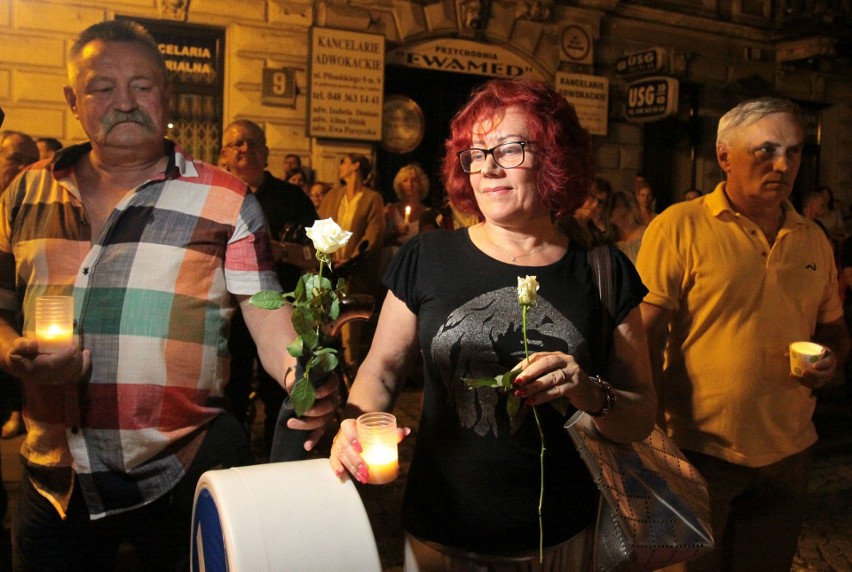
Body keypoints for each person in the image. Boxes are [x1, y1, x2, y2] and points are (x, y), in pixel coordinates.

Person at [0, 20, 337, 569]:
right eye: (102, 87)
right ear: (73, 99)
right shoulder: (25, 191)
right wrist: (10, 351)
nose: (124, 102)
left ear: (167, 94)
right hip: (55, 478)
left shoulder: (227, 201)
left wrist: (308, 378)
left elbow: (269, 321)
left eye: (142, 85)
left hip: (183, 468)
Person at [329, 78, 656, 568]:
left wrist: (587, 391)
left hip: (561, 537)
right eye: (475, 154)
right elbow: (381, 371)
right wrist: (353, 425)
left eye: (509, 150)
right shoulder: (429, 256)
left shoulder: (603, 271)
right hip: (441, 534)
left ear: (553, 160)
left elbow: (642, 413)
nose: (488, 168)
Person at [636, 97, 850, 572]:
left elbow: (833, 327)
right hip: (699, 451)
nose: (783, 164)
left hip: (789, 453)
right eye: (766, 149)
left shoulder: (812, 237)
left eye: (794, 152)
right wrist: (649, 433)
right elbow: (644, 335)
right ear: (725, 156)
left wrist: (831, 357)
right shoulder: (680, 226)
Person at [218, 119, 319, 456]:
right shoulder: (217, 196)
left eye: (252, 143)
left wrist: (279, 250)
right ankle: (233, 458)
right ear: (223, 155)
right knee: (229, 390)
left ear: (266, 153)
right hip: (228, 317)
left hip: (280, 314)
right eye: (236, 144)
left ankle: (280, 458)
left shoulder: (292, 199)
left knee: (282, 390)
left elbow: (321, 255)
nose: (244, 149)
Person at [317, 153, 386, 369]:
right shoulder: (333, 196)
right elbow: (321, 225)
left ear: (356, 165)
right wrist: (328, 255)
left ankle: (351, 370)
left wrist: (354, 256)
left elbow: (373, 233)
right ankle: (325, 370)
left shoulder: (372, 198)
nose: (340, 167)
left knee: (349, 328)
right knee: (325, 321)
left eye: (344, 162)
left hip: (354, 272)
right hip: (331, 269)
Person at [384, 163, 429, 248]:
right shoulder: (390, 210)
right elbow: (381, 240)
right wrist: (396, 233)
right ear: (399, 185)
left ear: (421, 185)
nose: (410, 184)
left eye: (414, 180)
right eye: (405, 180)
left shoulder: (428, 213)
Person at [607, 191, 647, 264]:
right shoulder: (611, 241)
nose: (608, 210)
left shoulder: (647, 234)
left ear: (627, 208)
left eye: (614, 206)